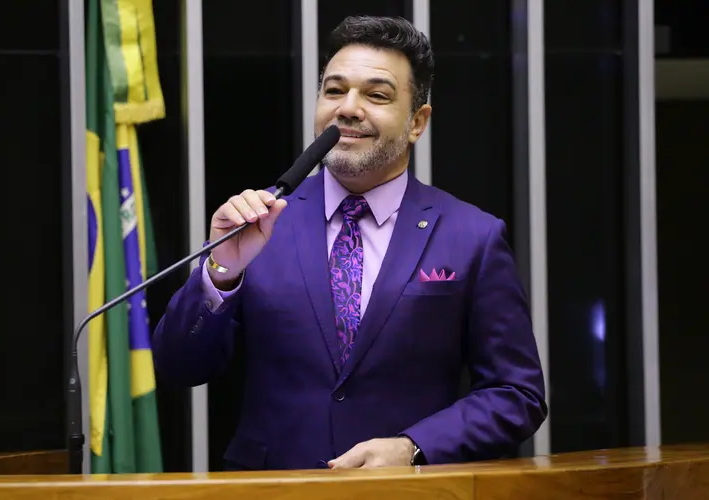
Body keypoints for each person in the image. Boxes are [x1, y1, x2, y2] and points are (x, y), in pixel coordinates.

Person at [152, 15, 547, 471]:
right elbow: (179, 368)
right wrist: (221, 271)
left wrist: (412, 446)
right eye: (334, 90)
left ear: (417, 122)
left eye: (376, 95)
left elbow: (516, 395)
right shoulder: (259, 222)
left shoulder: (471, 236)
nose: (348, 109)